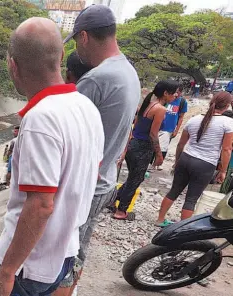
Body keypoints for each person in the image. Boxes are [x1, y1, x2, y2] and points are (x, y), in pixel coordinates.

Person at [0, 17, 104, 296]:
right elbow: (89, 178)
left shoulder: (41, 119)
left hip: (28, 267)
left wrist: (6, 272)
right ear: (62, 55)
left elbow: (41, 204)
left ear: (13, 65)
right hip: (63, 254)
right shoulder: (86, 108)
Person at [55, 5, 141, 294]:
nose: (79, 51)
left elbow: (63, 134)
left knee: (62, 256)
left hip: (86, 186)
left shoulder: (96, 79)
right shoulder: (128, 71)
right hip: (105, 179)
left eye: (77, 43)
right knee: (78, 249)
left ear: (84, 36)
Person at [156, 92, 233, 226]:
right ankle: (182, 229)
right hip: (205, 164)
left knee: (174, 190)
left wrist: (177, 161)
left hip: (186, 158)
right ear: (227, 106)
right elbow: (226, 149)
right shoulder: (227, 123)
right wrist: (223, 171)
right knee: (191, 198)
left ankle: (160, 220)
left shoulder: (195, 119)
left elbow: (181, 144)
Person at [113, 80, 179, 220]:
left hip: (133, 144)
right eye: (174, 93)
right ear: (166, 93)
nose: (176, 96)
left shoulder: (148, 104)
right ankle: (121, 211)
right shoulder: (160, 109)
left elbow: (136, 126)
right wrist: (159, 154)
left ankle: (113, 199)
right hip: (143, 147)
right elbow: (153, 134)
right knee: (135, 179)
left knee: (134, 177)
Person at [150, 87, 188, 170]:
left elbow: (181, 117)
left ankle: (158, 163)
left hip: (169, 128)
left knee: (163, 147)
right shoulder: (165, 100)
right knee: (153, 144)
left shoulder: (182, 102)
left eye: (179, 92)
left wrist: (176, 130)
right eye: (175, 92)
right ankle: (150, 163)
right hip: (158, 126)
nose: (176, 95)